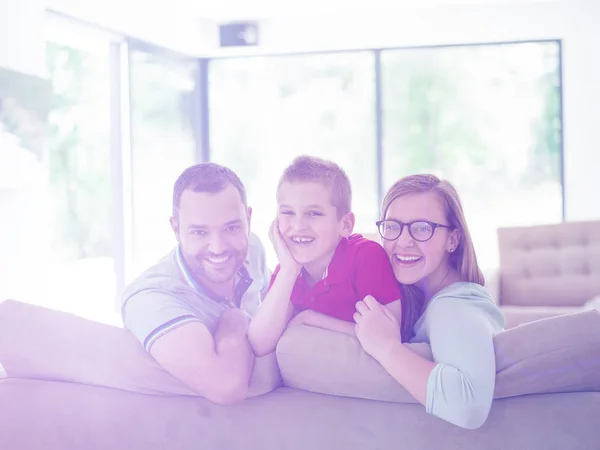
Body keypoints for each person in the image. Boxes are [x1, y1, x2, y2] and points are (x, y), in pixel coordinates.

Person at [353, 174, 505, 430]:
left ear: (453, 239)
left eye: (422, 228)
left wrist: (386, 347)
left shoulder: (456, 305)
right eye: (392, 226)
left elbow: (468, 408)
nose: (403, 241)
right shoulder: (418, 299)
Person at [121, 163, 270, 404]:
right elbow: (226, 387)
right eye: (200, 232)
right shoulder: (149, 298)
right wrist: (235, 320)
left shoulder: (251, 248)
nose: (218, 247)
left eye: (232, 227)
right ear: (175, 228)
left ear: (248, 219)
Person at [248, 155, 405, 357]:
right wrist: (288, 271)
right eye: (287, 212)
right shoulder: (288, 271)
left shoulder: (366, 257)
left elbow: (391, 336)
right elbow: (260, 344)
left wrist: (310, 319)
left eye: (313, 213)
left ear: (345, 224)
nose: (298, 226)